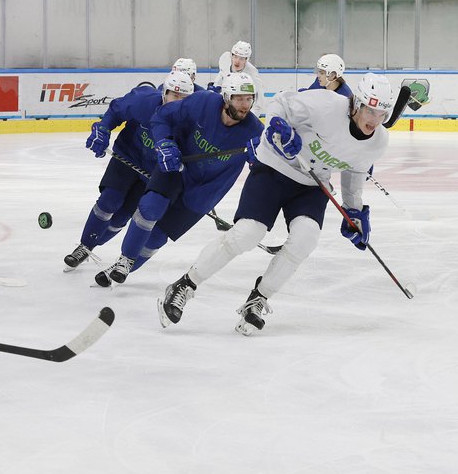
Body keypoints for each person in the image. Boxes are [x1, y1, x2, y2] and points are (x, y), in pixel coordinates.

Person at [157, 73, 394, 335]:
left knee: (306, 239)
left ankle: (258, 299)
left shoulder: (378, 142)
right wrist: (279, 127)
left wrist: (354, 211)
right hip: (273, 168)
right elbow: (279, 102)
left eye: (381, 113)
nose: (375, 119)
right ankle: (185, 285)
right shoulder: (326, 104)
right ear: (356, 104)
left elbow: (354, 173)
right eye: (370, 110)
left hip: (313, 185)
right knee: (248, 234)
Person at [95, 72, 265, 288]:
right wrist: (164, 143)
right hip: (177, 168)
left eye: (249, 99)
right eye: (239, 98)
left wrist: (261, 159)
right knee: (150, 207)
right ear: (226, 97)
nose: (245, 105)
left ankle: (124, 268)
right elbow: (162, 116)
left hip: (205, 192)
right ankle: (124, 260)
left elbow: (267, 170)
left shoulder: (255, 132)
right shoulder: (202, 103)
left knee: (157, 238)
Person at [64, 71, 194, 271]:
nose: (177, 102)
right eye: (174, 95)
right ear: (164, 93)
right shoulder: (144, 102)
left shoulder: (190, 123)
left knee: (122, 216)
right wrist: (103, 128)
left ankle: (96, 246)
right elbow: (116, 109)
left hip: (152, 172)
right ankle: (85, 246)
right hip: (128, 156)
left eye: (183, 98)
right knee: (109, 200)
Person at [212, 41, 264, 115]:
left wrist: (249, 117)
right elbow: (222, 74)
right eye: (235, 56)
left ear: (246, 59)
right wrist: (215, 88)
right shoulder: (225, 60)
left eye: (241, 58)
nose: (237, 61)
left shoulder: (252, 74)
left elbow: (259, 102)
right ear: (231, 55)